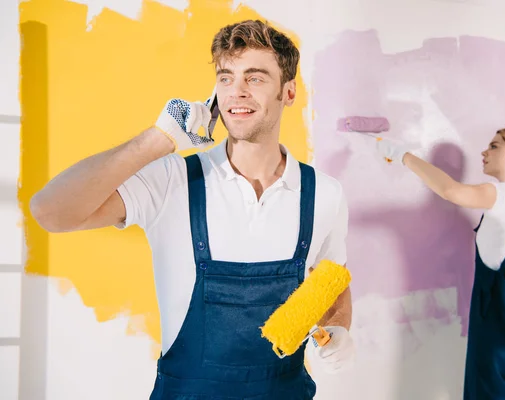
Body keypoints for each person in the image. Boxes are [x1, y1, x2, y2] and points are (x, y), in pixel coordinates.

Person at [30, 19, 354, 399]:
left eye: (255, 78)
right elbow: (50, 211)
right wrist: (160, 138)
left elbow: (332, 282)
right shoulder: (171, 181)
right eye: (226, 77)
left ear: (289, 92)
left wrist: (341, 331)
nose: (237, 92)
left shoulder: (324, 194)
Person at [369, 127, 505, 399]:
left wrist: (401, 154)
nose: (484, 152)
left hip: (501, 317)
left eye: (495, 146)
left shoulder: (502, 195)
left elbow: (450, 190)